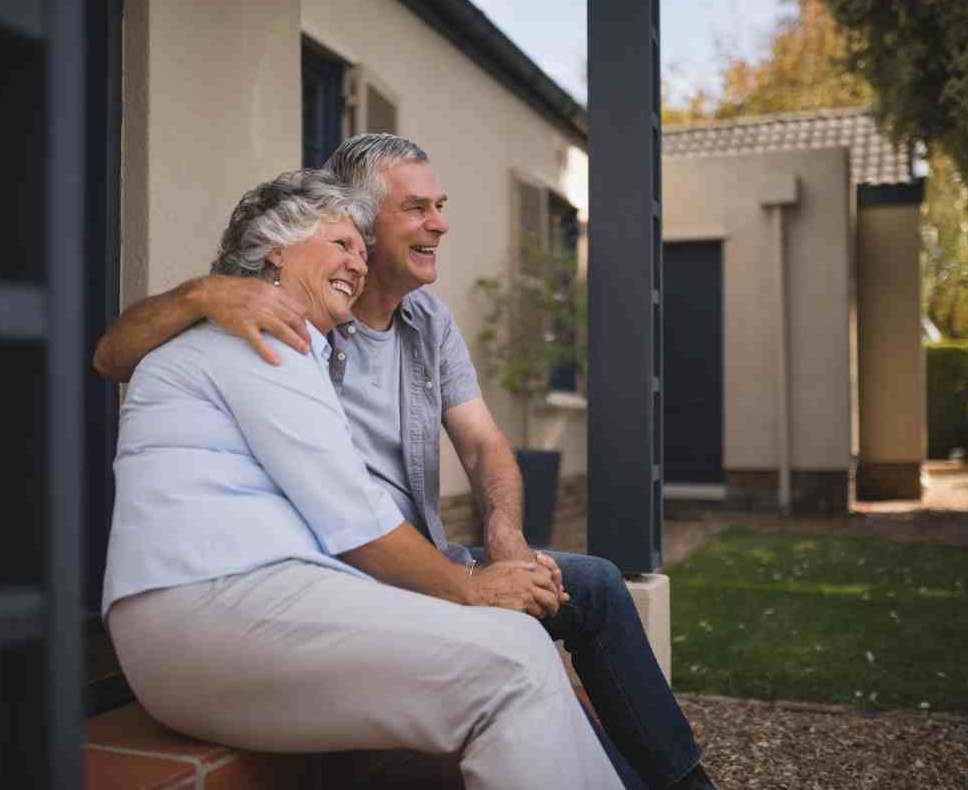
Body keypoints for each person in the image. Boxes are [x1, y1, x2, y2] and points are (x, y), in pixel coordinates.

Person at [96, 136, 716, 790]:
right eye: (344, 242)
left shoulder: (388, 326)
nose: (357, 261)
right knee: (512, 657)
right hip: (249, 595)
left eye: (359, 250)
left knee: (560, 609)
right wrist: (475, 590)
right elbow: (113, 355)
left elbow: (480, 442)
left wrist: (505, 543)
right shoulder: (254, 330)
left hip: (304, 583)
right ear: (278, 249)